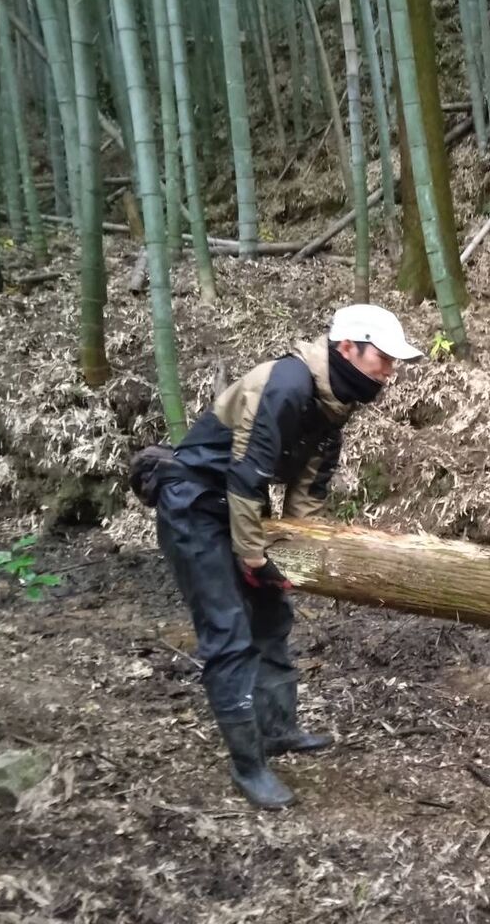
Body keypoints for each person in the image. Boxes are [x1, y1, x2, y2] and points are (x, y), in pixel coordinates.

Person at [145, 305, 423, 810]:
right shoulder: (287, 384)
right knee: (229, 631)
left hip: (239, 506)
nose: (389, 371)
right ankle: (247, 765)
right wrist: (253, 558)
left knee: (272, 615)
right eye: (383, 358)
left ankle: (278, 729)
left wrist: (299, 555)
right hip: (193, 503)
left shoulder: (333, 403)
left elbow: (308, 492)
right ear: (347, 348)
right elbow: (247, 473)